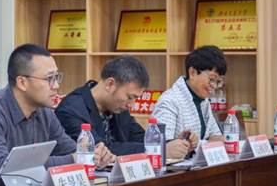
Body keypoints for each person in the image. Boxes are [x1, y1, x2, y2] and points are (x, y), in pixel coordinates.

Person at [0, 44, 115, 186]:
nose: (56, 85)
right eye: (49, 79)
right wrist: (76, 158)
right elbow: (1, 168)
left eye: (57, 77)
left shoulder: (44, 112)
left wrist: (94, 156)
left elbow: (70, 150)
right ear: (22, 82)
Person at [56, 56, 195, 159]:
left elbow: (138, 137)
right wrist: (159, 149)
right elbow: (101, 150)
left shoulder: (118, 106)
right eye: (130, 97)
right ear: (110, 84)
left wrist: (174, 144)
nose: (131, 104)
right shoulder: (71, 109)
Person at [152, 46, 225, 142]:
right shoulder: (169, 101)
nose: (214, 86)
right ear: (192, 72)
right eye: (211, 79)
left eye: (218, 81)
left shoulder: (203, 100)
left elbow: (214, 135)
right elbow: (160, 144)